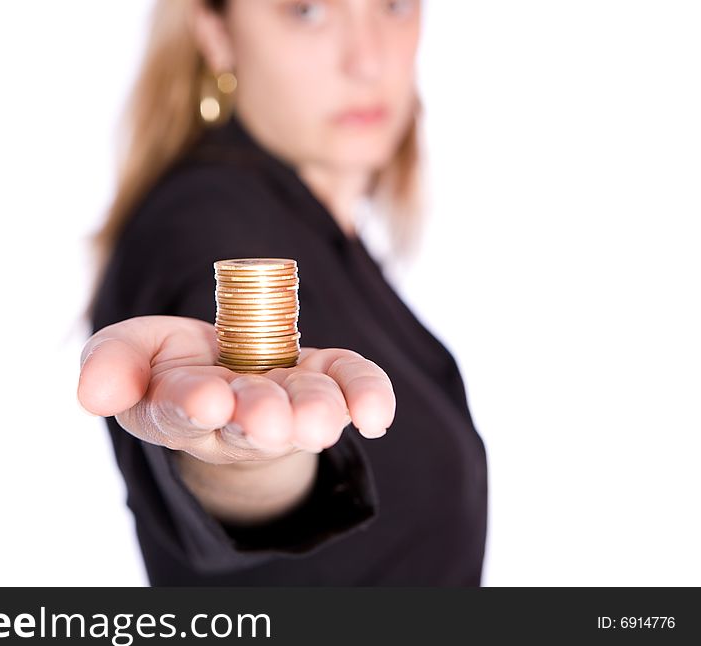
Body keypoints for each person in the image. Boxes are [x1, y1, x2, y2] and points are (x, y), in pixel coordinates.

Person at [78, 0, 487, 585]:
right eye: (307, 11)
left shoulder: (324, 229)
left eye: (394, 6)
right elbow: (220, 459)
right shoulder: (199, 223)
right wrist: (247, 463)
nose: (368, 61)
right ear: (216, 33)